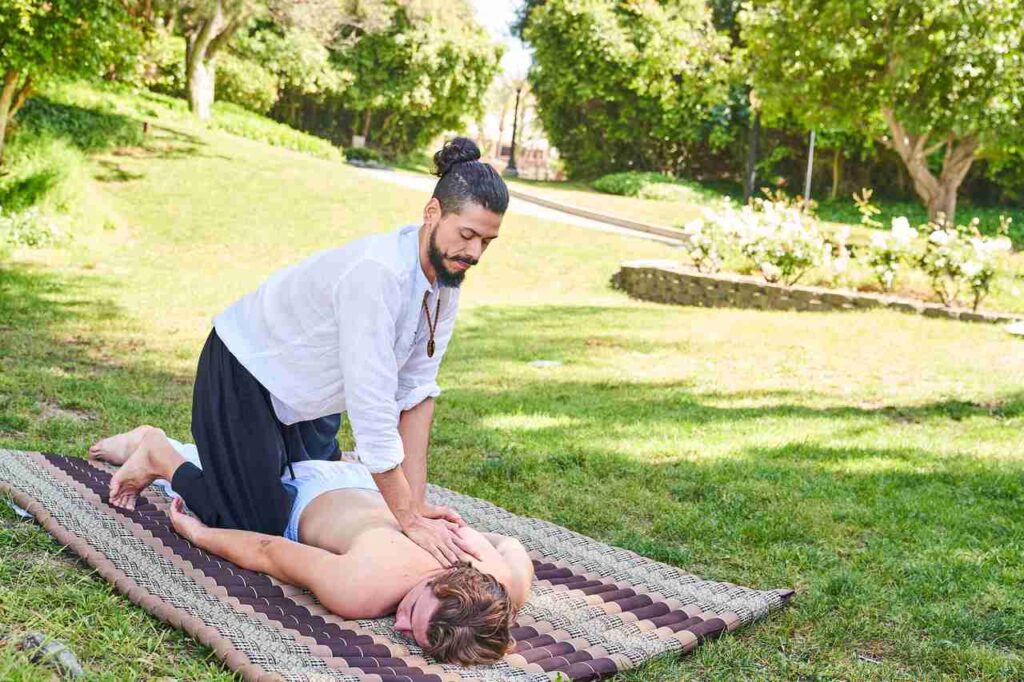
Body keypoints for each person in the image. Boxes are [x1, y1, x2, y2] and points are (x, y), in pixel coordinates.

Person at [96, 137, 509, 567]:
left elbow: (417, 394)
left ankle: (216, 458)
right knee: (256, 522)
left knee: (312, 489)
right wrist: (405, 518)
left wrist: (417, 507)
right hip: (246, 371)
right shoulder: (376, 275)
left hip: (308, 397)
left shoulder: (445, 284)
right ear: (432, 213)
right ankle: (159, 452)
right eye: (467, 235)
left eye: (487, 241)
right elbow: (372, 413)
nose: (475, 253)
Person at [90, 425, 534, 665]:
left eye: (412, 637)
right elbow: (267, 551)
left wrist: (477, 537)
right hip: (310, 490)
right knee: (230, 511)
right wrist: (199, 533)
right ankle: (155, 447)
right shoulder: (363, 587)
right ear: (442, 582)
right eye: (412, 611)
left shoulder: (504, 585)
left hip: (367, 484)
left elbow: (512, 544)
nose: (398, 626)